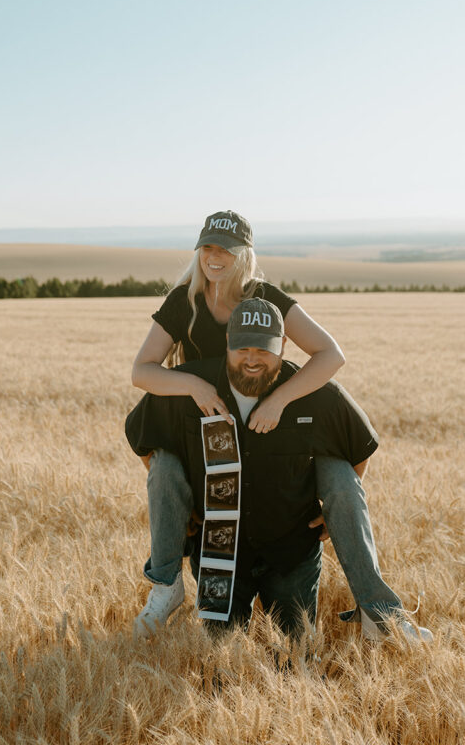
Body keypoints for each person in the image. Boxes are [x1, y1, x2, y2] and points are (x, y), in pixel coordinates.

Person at [130, 210, 432, 642]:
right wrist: (193, 385)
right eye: (208, 248)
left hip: (271, 429)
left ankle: (379, 613)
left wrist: (279, 400)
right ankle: (166, 584)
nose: (215, 258)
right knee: (164, 466)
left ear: (245, 255)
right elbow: (142, 371)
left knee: (337, 473)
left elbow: (330, 354)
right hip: (206, 430)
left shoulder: (266, 297)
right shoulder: (185, 301)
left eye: (227, 250)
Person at [127, 299, 382, 639]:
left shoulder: (317, 395)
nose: (251, 359)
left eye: (263, 350)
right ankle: (167, 587)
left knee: (298, 651)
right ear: (227, 343)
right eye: (242, 347)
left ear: (283, 347)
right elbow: (145, 444)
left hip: (290, 553)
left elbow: (358, 450)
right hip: (218, 553)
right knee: (215, 654)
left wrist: (334, 508)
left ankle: (378, 613)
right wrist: (179, 503)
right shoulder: (188, 386)